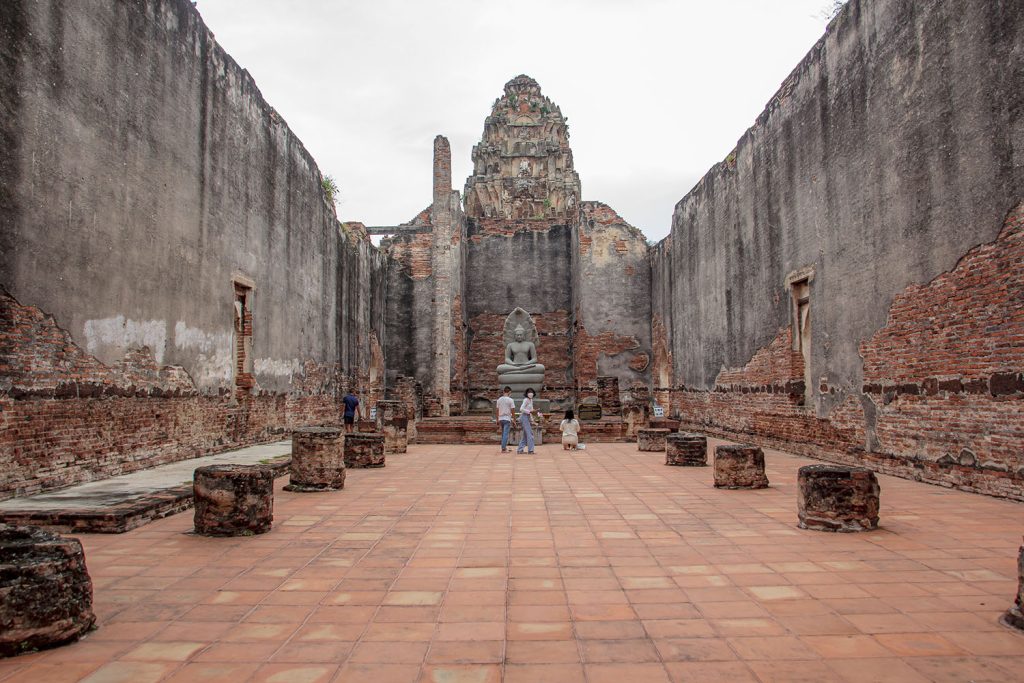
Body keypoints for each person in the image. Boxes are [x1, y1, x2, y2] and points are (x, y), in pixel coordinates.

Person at [516, 388, 540, 454]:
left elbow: (531, 411)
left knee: (525, 435)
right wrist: (529, 411)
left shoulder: (531, 400)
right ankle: (530, 450)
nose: (530, 393)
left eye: (531, 392)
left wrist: (533, 419)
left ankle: (520, 449)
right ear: (527, 393)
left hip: (528, 417)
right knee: (530, 434)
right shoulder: (526, 400)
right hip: (524, 417)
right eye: (529, 392)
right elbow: (521, 409)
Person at [495, 386, 515, 453]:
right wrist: (514, 419)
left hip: (501, 418)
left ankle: (504, 447)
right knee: (505, 434)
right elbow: (512, 411)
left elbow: (497, 410)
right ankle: (503, 448)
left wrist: (497, 419)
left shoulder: (499, 400)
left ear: (503, 392)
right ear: (509, 392)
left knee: (503, 433)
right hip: (507, 418)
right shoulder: (510, 400)